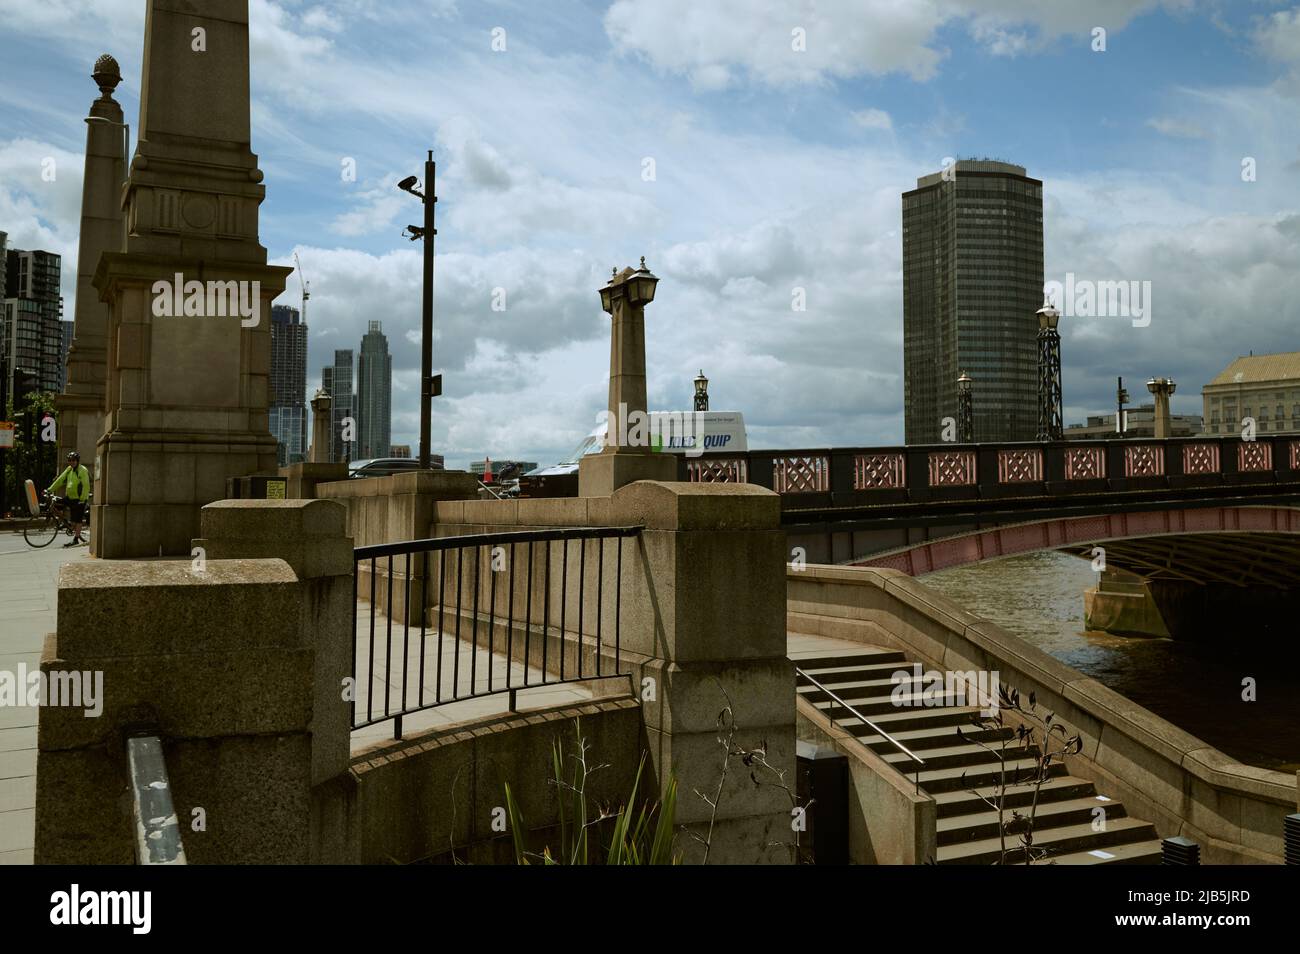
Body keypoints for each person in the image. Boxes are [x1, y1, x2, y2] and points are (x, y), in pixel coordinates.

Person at [47, 450, 91, 547]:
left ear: (77, 461)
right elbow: (60, 480)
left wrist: (82, 499)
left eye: (73, 460)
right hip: (70, 497)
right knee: (57, 503)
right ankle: (66, 522)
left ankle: (76, 539)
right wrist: (49, 490)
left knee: (78, 519)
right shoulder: (69, 469)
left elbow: (86, 485)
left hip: (79, 499)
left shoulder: (82, 470)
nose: (71, 462)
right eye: (70, 460)